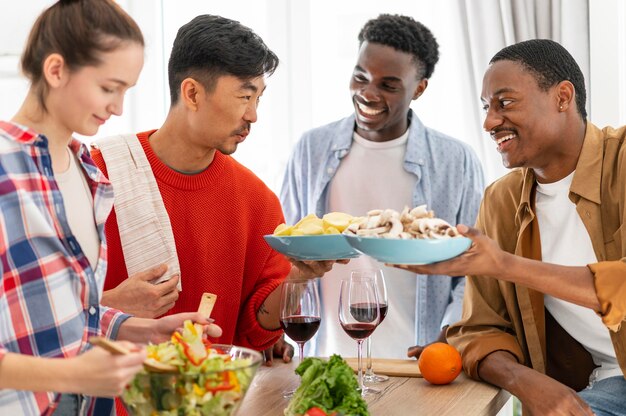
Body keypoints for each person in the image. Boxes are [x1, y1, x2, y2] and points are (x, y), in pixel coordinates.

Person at [0, 1, 220, 416]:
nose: (118, 107)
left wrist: (139, 329)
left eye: (126, 91)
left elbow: (65, 314)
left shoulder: (88, 170)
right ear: (56, 70)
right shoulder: (4, 168)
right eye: (108, 88)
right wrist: (73, 377)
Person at [92, 14, 333, 378]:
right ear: (192, 93)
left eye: (259, 98)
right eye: (244, 96)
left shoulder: (257, 200)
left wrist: (297, 278)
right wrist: (111, 307)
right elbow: (38, 314)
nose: (253, 114)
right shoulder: (98, 174)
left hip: (216, 398)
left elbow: (256, 332)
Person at [396, 39, 626, 415]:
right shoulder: (501, 201)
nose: (489, 121)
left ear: (562, 97)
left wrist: (503, 264)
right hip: (609, 385)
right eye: (486, 108)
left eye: (505, 103)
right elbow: (477, 329)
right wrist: (529, 383)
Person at [280, 14, 484, 359]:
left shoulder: (456, 160)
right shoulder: (311, 150)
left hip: (417, 363)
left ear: (419, 88)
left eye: (388, 85)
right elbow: (283, 250)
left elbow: (473, 268)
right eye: (361, 77)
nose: (368, 93)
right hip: (324, 356)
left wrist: (449, 335)